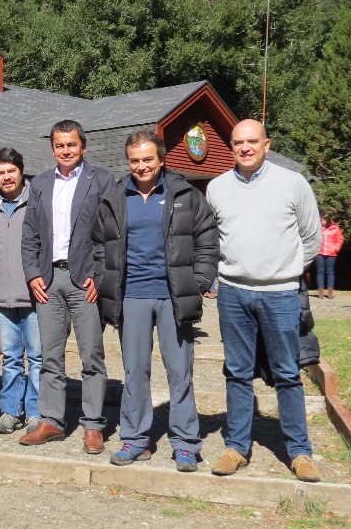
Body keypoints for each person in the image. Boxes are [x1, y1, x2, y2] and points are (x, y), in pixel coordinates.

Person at [92, 131, 218, 471]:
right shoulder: (115, 196)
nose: (142, 166)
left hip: (173, 296)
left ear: (161, 159)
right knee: (135, 371)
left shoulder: (184, 194)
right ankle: (135, 440)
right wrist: (103, 279)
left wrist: (200, 279)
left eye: (148, 159)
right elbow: (98, 244)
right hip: (131, 295)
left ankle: (186, 443)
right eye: (135, 160)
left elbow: (207, 238)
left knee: (180, 371)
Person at [206, 119, 323, 482]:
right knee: (237, 372)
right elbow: (212, 240)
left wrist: (285, 271)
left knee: (288, 374)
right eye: (238, 142)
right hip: (233, 293)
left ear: (266, 144)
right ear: (231, 146)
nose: (245, 147)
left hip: (281, 295)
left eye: (252, 141)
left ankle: (300, 452)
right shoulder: (216, 187)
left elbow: (312, 237)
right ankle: (237, 447)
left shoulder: (293, 183)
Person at [19, 120, 114, 454]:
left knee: (92, 356)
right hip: (49, 280)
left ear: (82, 146)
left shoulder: (101, 180)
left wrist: (99, 276)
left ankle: (92, 424)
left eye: (71, 145)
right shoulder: (41, 183)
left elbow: (111, 233)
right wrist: (32, 274)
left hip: (84, 280)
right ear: (53, 148)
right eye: (60, 145)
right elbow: (29, 233)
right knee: (49, 356)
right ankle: (52, 420)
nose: (66, 150)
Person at [0, 148, 42, 434]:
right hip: (3, 297)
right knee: (9, 357)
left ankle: (35, 412)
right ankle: (10, 411)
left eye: (11, 171)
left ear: (21, 171)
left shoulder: (37, 202)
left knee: (37, 357)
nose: (6, 177)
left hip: (34, 295)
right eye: (1, 172)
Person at [316, 214, 344, 299]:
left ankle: (330, 292)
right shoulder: (318, 228)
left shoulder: (335, 228)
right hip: (320, 253)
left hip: (331, 253)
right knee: (320, 271)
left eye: (324, 221)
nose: (322, 222)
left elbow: (340, 239)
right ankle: (320, 292)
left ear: (328, 220)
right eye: (321, 221)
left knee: (330, 272)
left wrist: (336, 249)